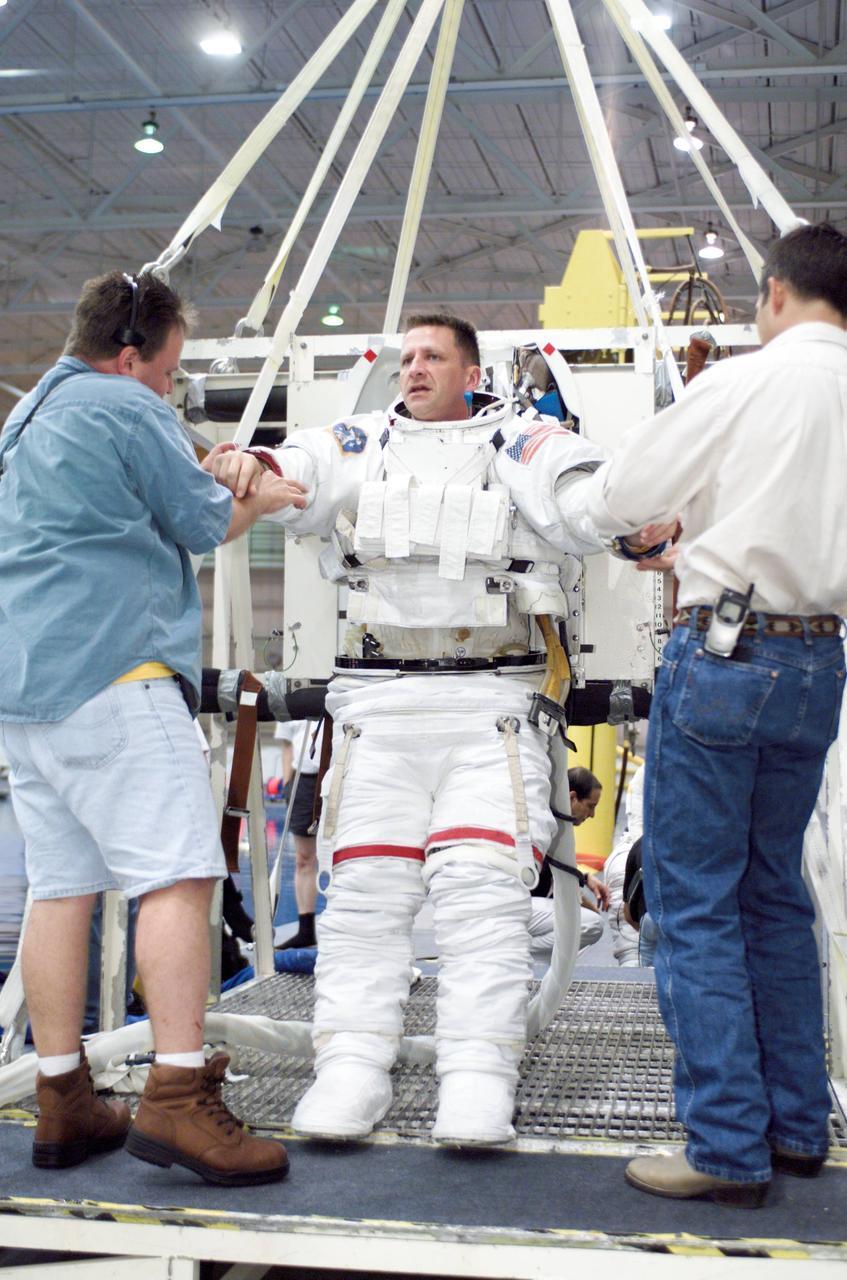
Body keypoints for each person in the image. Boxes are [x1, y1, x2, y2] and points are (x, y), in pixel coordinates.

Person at [212, 313, 672, 1145]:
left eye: (431, 357)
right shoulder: (359, 443)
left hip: (489, 707)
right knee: (363, 898)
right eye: (406, 358)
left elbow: (580, 500)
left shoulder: (521, 442)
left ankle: (478, 1076)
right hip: (377, 704)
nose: (413, 369)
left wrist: (629, 514)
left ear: (470, 370)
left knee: (481, 899)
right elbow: (299, 469)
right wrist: (258, 465)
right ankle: (349, 1066)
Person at [0, 270, 306, 1184]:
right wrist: (274, 490)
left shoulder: (26, 419)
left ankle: (64, 1097)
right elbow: (208, 521)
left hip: (27, 695)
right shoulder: (124, 407)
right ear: (130, 356)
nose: (169, 391)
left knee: (61, 888)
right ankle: (177, 1096)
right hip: (114, 675)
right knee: (176, 875)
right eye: (168, 373)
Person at [580, 222, 847, 1206]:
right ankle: (793, 1124)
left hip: (729, 650)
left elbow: (621, 491)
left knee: (692, 900)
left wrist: (680, 534)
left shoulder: (744, 379)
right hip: (820, 655)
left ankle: (725, 1143)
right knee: (774, 890)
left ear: (775, 290)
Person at [528, 766, 608, 958]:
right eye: (590, 805)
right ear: (572, 797)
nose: (592, 815)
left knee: (573, 943)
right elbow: (563, 878)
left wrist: (586, 879)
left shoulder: (556, 825)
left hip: (529, 904)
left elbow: (564, 881)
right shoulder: (544, 824)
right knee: (590, 926)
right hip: (513, 905)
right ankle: (510, 949)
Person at [275, 718, 324, 948]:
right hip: (302, 780)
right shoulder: (290, 695)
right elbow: (287, 746)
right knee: (304, 859)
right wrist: (287, 783)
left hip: (337, 773)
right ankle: (306, 930)